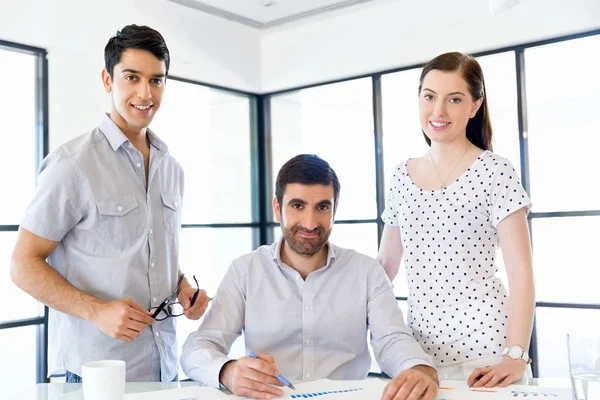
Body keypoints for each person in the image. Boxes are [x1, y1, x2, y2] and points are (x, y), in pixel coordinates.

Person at [10, 24, 210, 382]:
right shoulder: (72, 164)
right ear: (108, 80)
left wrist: (183, 287)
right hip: (94, 375)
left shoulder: (172, 170)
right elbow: (22, 265)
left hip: (164, 369)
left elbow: (147, 252)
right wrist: (97, 311)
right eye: (132, 77)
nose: (145, 93)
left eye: (156, 80)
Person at [181, 154, 439, 400]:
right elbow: (198, 348)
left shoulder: (366, 272)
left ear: (334, 210)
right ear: (277, 208)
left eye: (322, 207)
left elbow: (391, 339)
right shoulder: (245, 271)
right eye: (297, 206)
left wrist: (417, 367)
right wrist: (227, 371)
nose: (310, 222)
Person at [377, 51, 535, 387]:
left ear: (475, 106)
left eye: (455, 99)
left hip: (488, 352)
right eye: (430, 97)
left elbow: (521, 273)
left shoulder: (495, 171)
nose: (439, 111)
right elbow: (385, 267)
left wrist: (515, 356)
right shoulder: (400, 177)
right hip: (421, 358)